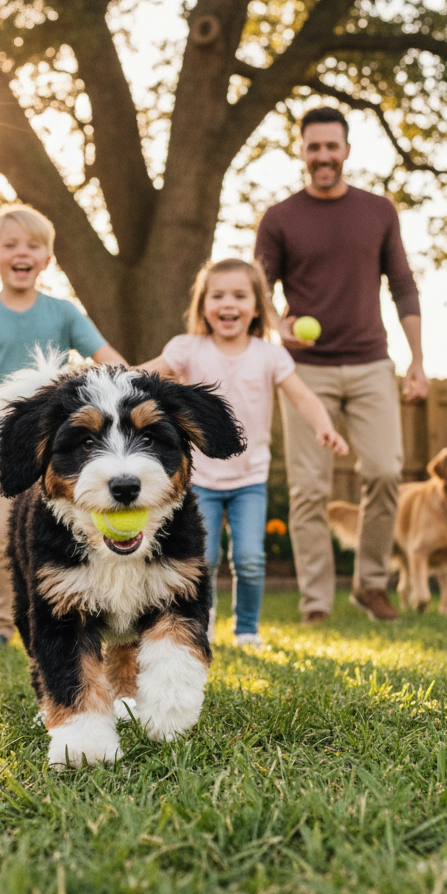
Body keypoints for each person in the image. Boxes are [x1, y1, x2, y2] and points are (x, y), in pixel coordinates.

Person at [0, 204, 126, 645]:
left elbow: (108, 359)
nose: (22, 252)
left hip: (56, 446)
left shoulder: (64, 313)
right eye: (10, 244)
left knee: (65, 528)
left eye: (33, 245)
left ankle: (74, 609)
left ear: (47, 260)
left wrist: (141, 387)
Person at [254, 106, 429, 625]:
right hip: (304, 371)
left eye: (332, 146)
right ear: (302, 151)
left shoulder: (378, 211)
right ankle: (315, 600)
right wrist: (275, 326)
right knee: (310, 488)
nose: (323, 156)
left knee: (384, 471)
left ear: (347, 150)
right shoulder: (280, 217)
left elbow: (403, 285)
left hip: (373, 362)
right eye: (314, 147)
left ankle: (370, 584)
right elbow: (256, 289)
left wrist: (417, 360)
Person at [141, 257, 348, 648]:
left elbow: (302, 396)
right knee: (204, 559)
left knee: (250, 558)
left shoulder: (270, 355)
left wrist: (325, 426)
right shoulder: (189, 349)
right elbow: (147, 374)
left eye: (240, 295)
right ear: (203, 305)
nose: (228, 303)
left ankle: (247, 630)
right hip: (199, 478)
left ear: (257, 307)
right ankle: (200, 626)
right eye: (217, 295)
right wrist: (105, 377)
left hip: (250, 478)